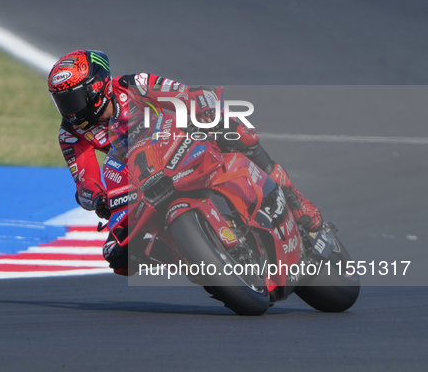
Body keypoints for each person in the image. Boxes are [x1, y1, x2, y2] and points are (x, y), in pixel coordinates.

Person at [48, 50, 323, 275]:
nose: (69, 110)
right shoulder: (70, 134)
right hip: (140, 176)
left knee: (238, 132)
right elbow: (86, 180)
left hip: (178, 140)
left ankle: (295, 201)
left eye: (73, 98)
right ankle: (198, 258)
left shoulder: (135, 84)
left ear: (96, 87)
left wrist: (200, 107)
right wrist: (96, 198)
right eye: (62, 102)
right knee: (117, 255)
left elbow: (182, 94)